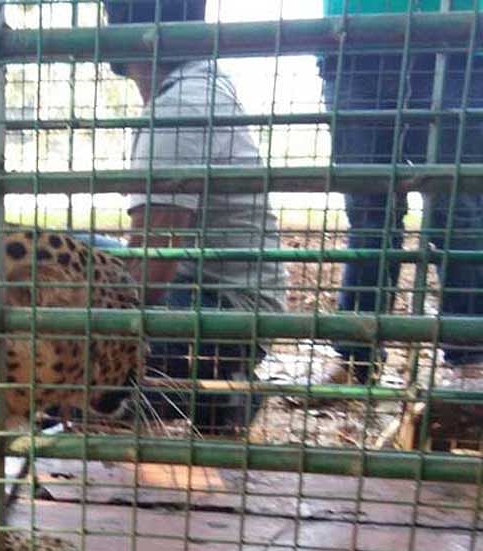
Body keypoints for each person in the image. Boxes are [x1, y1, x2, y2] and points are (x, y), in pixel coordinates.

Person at [104, 0, 287, 435]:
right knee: (74, 255)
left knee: (57, 291)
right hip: (222, 296)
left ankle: (199, 391)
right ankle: (209, 388)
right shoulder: (196, 84)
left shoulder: (177, 111)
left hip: (224, 313)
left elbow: (148, 278)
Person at [319, 0, 483, 388]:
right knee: (367, 209)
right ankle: (355, 354)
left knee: (457, 206)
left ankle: (471, 357)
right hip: (354, 41)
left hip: (459, 41)